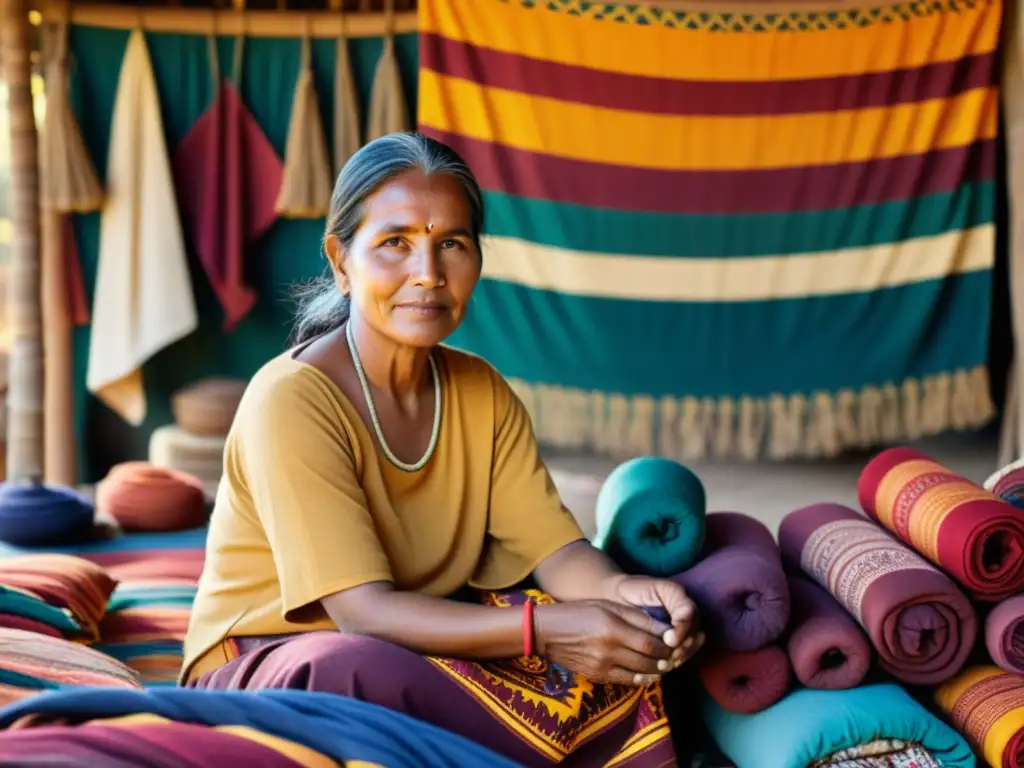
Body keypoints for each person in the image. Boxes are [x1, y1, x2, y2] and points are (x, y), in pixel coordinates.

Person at [181, 132, 703, 767]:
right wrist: (541, 635)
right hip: (275, 661)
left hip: (421, 644)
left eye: (451, 243)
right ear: (342, 262)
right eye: (395, 243)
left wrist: (628, 598)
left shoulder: (481, 392)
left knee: (622, 654)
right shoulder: (292, 400)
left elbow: (558, 552)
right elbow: (363, 615)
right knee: (351, 670)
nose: (428, 274)